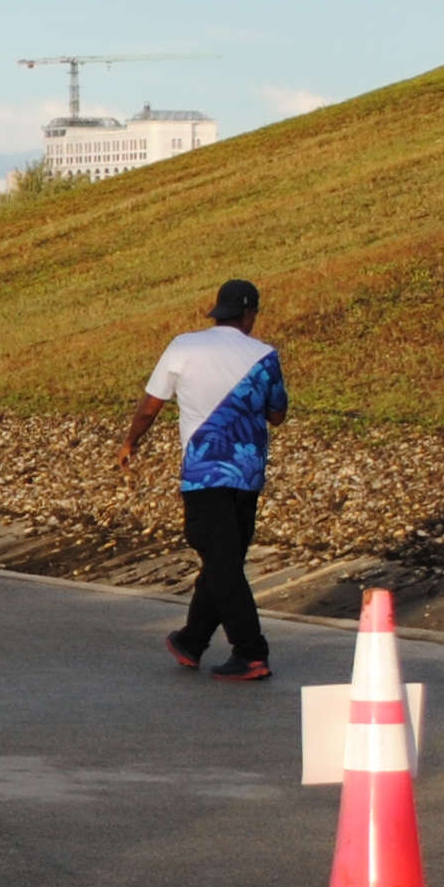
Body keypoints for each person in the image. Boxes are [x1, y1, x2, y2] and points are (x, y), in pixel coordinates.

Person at [120, 278, 288, 681]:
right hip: (247, 475)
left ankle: (251, 652)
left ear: (218, 311)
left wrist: (130, 441)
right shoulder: (265, 355)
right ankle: (191, 641)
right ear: (249, 315)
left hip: (203, 473)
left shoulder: (184, 346)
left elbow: (150, 406)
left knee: (223, 562)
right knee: (224, 560)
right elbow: (277, 414)